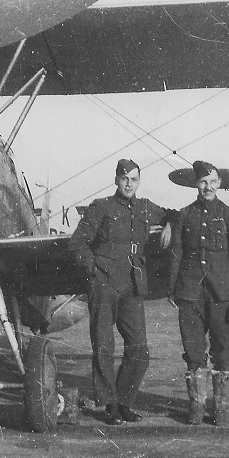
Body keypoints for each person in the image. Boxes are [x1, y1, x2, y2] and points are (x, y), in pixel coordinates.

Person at [69, 159, 172, 425]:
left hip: (132, 285)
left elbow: (173, 213)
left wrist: (170, 224)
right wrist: (93, 271)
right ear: (116, 180)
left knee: (139, 348)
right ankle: (109, 405)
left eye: (134, 179)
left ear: (139, 182)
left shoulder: (146, 208)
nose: (129, 184)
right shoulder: (101, 207)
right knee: (104, 346)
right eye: (125, 178)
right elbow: (77, 243)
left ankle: (125, 401)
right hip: (103, 284)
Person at [166, 161, 229, 425]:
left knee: (223, 351)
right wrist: (172, 289)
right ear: (196, 184)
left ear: (219, 184)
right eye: (203, 182)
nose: (209, 187)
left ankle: (222, 408)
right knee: (193, 353)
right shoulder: (185, 215)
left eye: (213, 182)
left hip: (221, 294)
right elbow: (177, 253)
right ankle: (197, 407)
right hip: (191, 293)